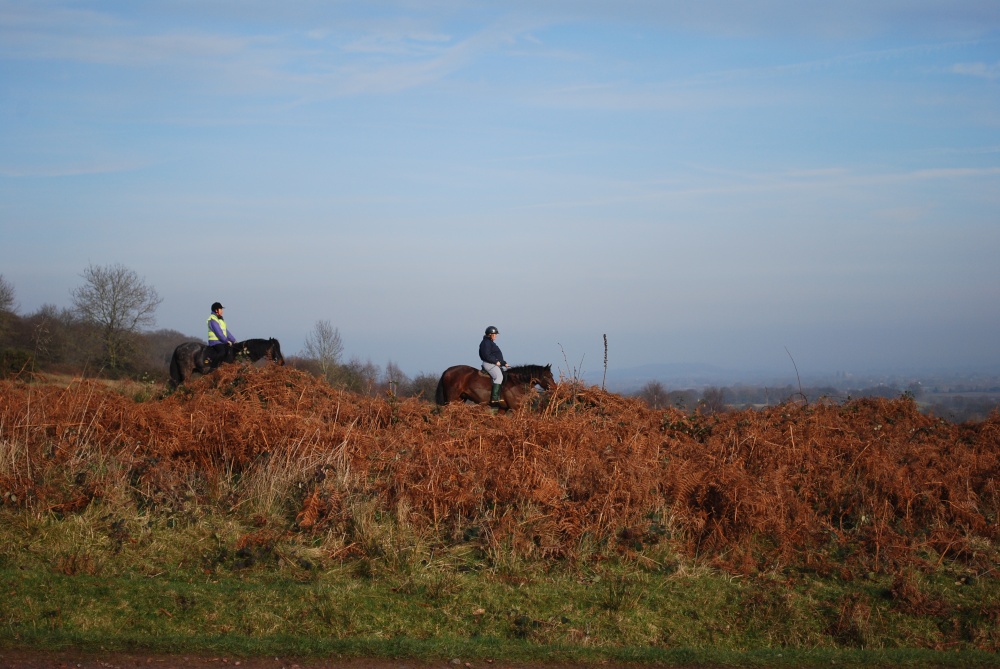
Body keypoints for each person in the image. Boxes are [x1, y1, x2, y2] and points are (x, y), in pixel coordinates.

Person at [479, 325, 508, 406]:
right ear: (490, 335)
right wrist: (496, 361)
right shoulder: (486, 343)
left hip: (493, 363)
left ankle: (500, 395)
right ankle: (494, 399)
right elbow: (487, 355)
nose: (496, 336)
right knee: (499, 377)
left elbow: (496, 354)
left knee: (504, 376)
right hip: (489, 363)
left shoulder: (490, 343)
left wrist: (503, 363)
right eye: (494, 335)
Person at [204, 301, 236, 369]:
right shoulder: (213, 319)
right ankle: (213, 367)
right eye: (221, 309)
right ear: (216, 310)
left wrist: (234, 340)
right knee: (222, 352)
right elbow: (218, 332)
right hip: (215, 341)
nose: (222, 311)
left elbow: (226, 332)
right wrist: (226, 341)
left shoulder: (221, 320)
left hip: (221, 341)